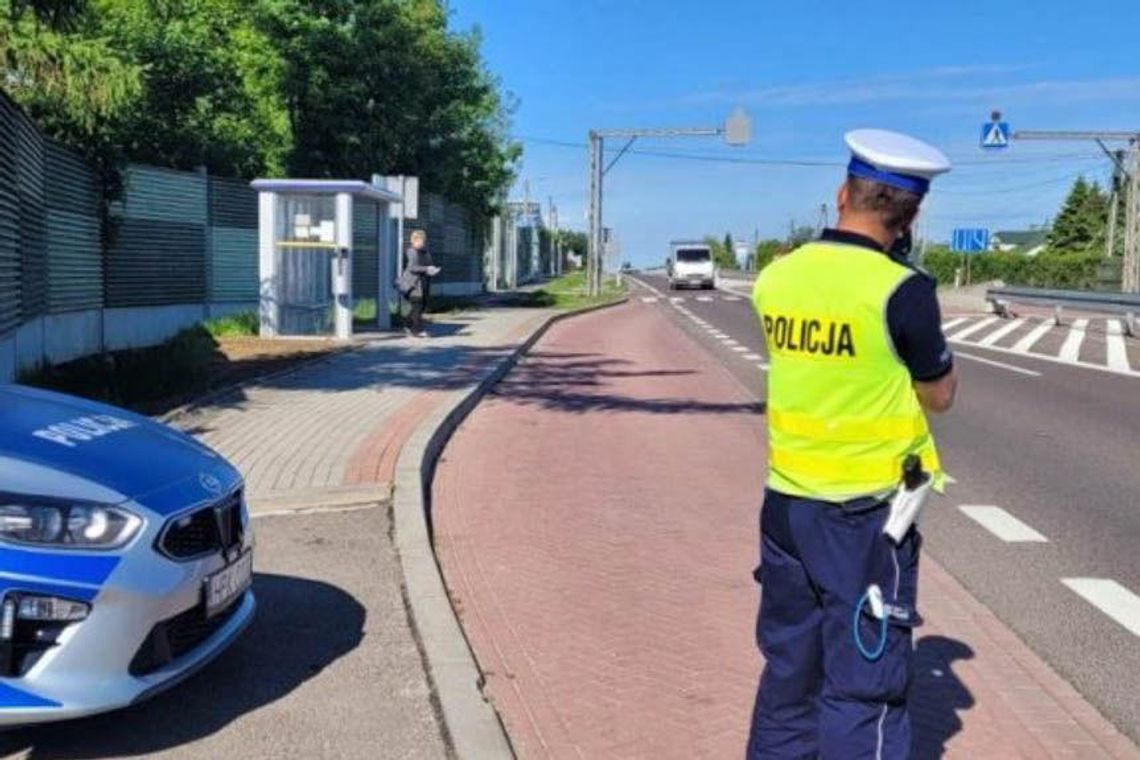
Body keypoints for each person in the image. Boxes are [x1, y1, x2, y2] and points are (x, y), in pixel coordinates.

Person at [747, 129, 959, 760]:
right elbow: (939, 394)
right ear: (911, 216)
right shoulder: (903, 291)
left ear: (842, 194)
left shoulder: (776, 278)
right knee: (864, 685)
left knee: (789, 671)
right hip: (864, 520)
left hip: (785, 504)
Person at [402, 229, 439, 337]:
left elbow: (429, 264)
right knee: (417, 306)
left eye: (423, 241)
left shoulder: (425, 252)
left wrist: (432, 270)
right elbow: (412, 267)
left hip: (424, 282)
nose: (422, 243)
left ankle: (408, 323)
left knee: (420, 307)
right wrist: (426, 268)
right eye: (420, 240)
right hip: (414, 284)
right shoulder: (411, 252)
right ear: (414, 240)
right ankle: (417, 330)